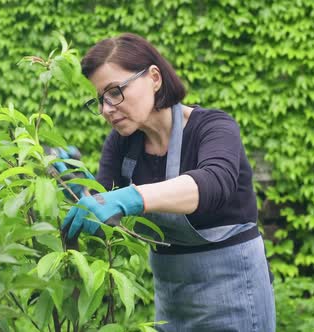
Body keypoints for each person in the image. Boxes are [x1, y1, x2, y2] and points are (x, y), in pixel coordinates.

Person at [61, 33, 276, 332]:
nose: (106, 109)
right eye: (99, 99)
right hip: (171, 306)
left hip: (235, 297)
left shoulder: (213, 127)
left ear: (154, 78)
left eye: (114, 92)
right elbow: (103, 207)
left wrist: (132, 198)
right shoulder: (123, 143)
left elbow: (213, 183)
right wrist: (73, 184)